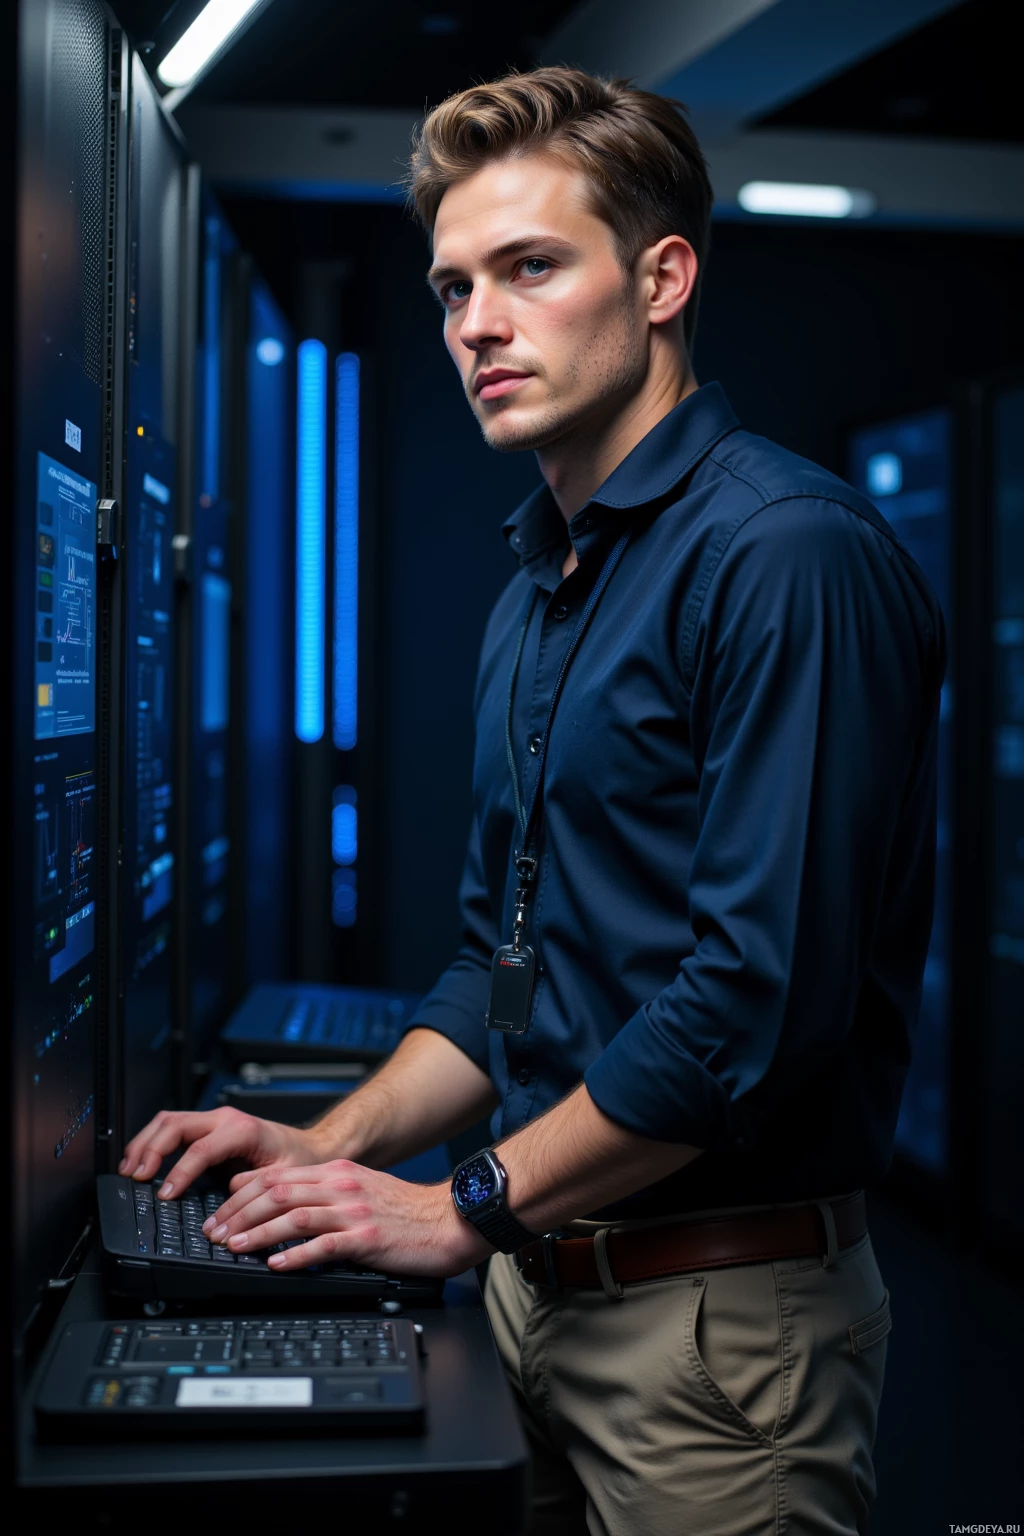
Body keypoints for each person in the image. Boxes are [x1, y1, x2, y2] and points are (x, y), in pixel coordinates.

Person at [122, 67, 945, 1536]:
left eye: (530, 268)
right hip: (531, 1296)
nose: (478, 326)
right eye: (450, 290)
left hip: (714, 1340)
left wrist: (459, 1207)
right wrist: (336, 1143)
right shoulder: (542, 590)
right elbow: (499, 974)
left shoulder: (786, 556)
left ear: (662, 277)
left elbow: (751, 1011)